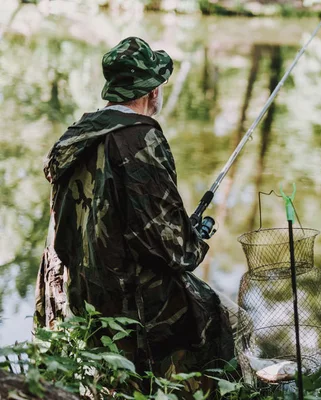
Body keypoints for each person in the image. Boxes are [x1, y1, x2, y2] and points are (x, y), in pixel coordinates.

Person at [34, 37, 235, 384]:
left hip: (74, 286)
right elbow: (174, 249)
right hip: (123, 297)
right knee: (217, 314)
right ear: (151, 92)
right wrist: (196, 240)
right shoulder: (139, 140)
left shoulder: (79, 133)